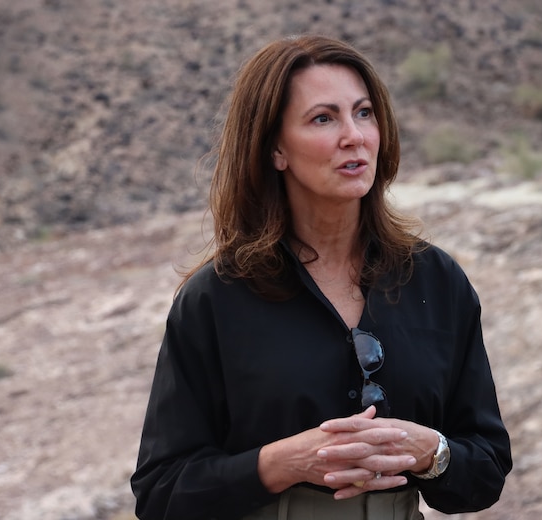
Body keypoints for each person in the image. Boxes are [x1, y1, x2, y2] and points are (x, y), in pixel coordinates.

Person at [130, 34, 512, 520]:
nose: (353, 135)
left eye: (364, 113)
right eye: (323, 118)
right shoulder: (217, 298)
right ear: (275, 150)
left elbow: (487, 469)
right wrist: (281, 464)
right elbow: (161, 491)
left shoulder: (437, 281)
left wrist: (429, 451)